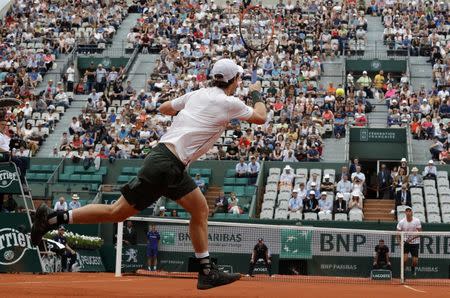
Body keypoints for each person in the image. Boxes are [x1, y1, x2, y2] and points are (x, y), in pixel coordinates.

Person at [32, 58, 266, 289]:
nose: (239, 82)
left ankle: (53, 219)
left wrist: (193, 116)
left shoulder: (197, 94)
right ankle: (52, 218)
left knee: (196, 208)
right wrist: (256, 93)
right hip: (167, 164)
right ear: (234, 79)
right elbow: (261, 117)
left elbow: (164, 108)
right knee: (119, 212)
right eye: (239, 78)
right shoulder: (229, 103)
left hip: (166, 160)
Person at [397, 206, 422, 277]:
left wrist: (411, 239)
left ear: (412, 213)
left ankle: (413, 268)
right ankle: (403, 273)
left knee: (415, 261)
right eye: (407, 211)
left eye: (409, 211)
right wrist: (400, 242)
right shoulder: (401, 222)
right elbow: (397, 233)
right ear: (405, 213)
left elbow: (420, 233)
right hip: (406, 242)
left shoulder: (417, 221)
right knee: (405, 260)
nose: (408, 212)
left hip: (415, 243)